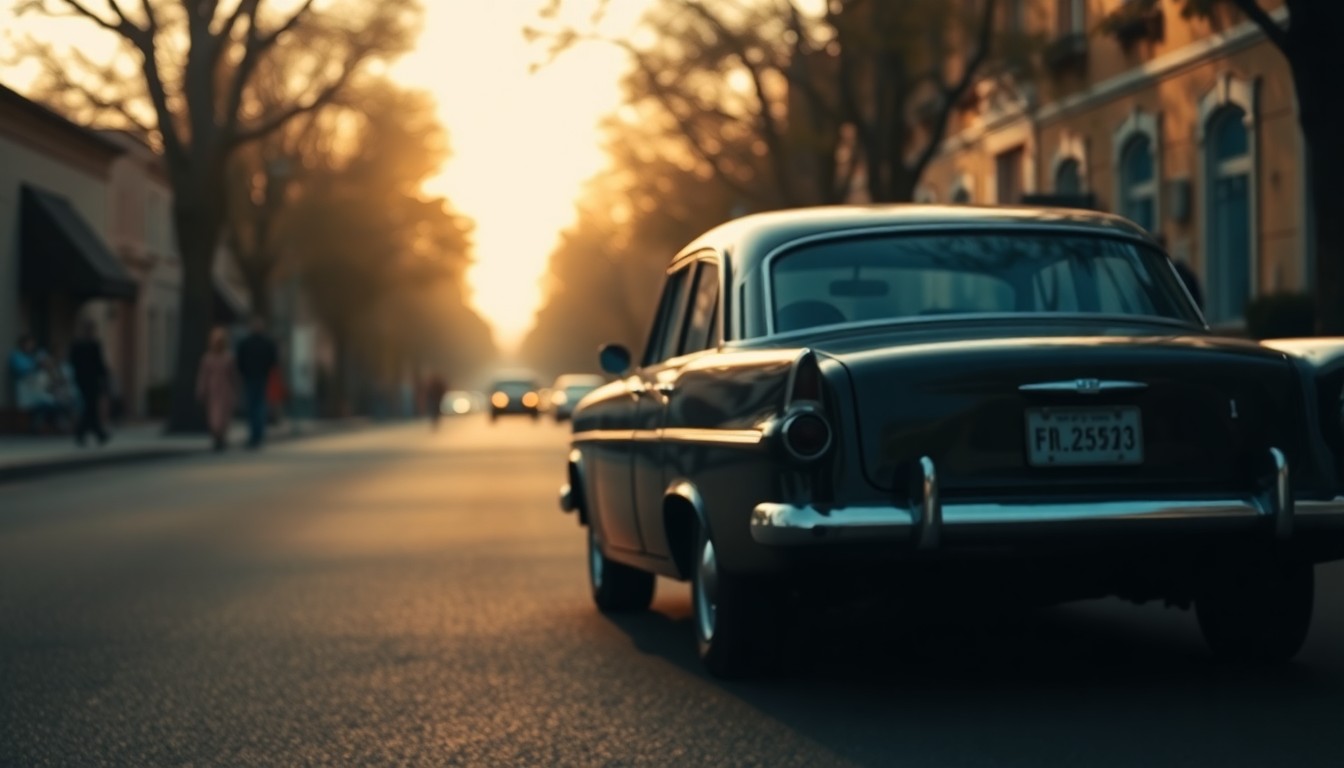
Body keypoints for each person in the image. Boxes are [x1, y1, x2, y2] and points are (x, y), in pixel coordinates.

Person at [235, 316, 278, 449]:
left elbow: (239, 361)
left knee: (254, 407)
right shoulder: (267, 343)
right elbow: (273, 360)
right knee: (259, 406)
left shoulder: (246, 343)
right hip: (259, 377)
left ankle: (255, 435)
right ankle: (257, 435)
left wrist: (243, 373)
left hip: (252, 378)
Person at [8, 333, 63, 433]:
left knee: (53, 403)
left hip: (36, 389)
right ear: (22, 344)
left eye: (32, 344)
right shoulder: (17, 356)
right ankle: (37, 426)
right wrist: (36, 364)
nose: (31, 346)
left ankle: (49, 426)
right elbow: (21, 371)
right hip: (25, 389)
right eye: (29, 344)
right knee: (42, 404)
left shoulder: (33, 356)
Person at [68, 319, 110, 445]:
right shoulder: (86, 345)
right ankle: (93, 433)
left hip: (87, 380)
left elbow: (99, 364)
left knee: (90, 407)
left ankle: (94, 433)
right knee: (89, 407)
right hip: (87, 381)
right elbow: (99, 364)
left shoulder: (87, 344)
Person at [197, 327, 239, 451]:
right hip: (213, 389)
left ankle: (222, 437)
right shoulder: (207, 358)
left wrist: (236, 389)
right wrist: (201, 390)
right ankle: (216, 436)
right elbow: (203, 376)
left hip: (225, 389)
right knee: (214, 415)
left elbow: (233, 375)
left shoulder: (229, 357)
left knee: (225, 415)